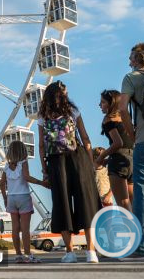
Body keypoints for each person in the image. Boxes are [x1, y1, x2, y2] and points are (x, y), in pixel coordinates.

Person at [38, 81, 101, 263]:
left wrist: (45, 171)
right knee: (86, 203)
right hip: (77, 159)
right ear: (63, 94)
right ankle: (91, 252)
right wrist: (90, 163)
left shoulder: (43, 116)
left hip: (57, 162)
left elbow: (42, 146)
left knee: (62, 205)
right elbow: (85, 137)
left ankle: (70, 252)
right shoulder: (73, 111)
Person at [119, 42, 144, 261]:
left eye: (131, 57)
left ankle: (143, 249)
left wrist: (131, 135)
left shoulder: (131, 78)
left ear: (138, 58)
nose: (128, 61)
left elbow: (122, 109)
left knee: (142, 193)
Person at [0, 140, 47, 263]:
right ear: (23, 151)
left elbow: (1, 184)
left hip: (11, 198)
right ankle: (27, 255)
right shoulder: (24, 163)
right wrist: (41, 183)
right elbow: (27, 177)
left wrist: (5, 198)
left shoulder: (6, 167)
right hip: (24, 197)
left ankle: (18, 255)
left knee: (15, 228)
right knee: (25, 229)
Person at [95, 90, 134, 211]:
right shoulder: (125, 118)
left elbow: (118, 143)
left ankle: (131, 229)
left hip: (118, 162)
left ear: (111, 103)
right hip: (132, 160)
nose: (99, 105)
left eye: (103, 102)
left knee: (123, 205)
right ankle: (140, 229)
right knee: (133, 203)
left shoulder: (108, 119)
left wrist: (101, 157)